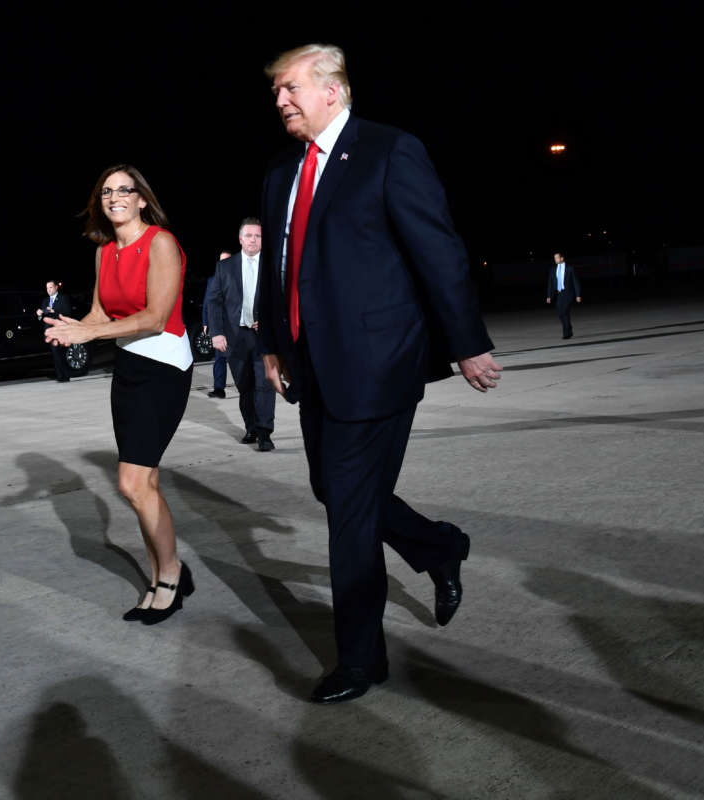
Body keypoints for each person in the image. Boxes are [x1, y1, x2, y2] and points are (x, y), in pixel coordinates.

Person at [255, 44, 503, 703]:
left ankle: (361, 662)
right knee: (336, 492)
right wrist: (272, 344)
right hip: (312, 363)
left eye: (290, 88)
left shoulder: (389, 151)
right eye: (276, 91)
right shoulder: (283, 172)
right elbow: (278, 269)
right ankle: (439, 546)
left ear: (332, 90)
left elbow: (439, 252)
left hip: (378, 360)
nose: (280, 99)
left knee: (347, 514)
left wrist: (466, 343)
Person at [45, 164, 195, 625]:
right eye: (106, 192)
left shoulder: (161, 244)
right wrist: (73, 330)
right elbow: (96, 313)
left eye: (123, 191)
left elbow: (154, 316)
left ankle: (170, 574)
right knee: (140, 485)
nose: (114, 198)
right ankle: (164, 572)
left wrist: (94, 334)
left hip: (165, 365)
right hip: (129, 367)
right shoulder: (104, 252)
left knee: (133, 482)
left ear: (141, 199)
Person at [207, 219, 276, 451]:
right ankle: (251, 428)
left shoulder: (272, 266)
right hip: (235, 338)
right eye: (249, 236)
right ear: (240, 239)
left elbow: (284, 300)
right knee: (245, 386)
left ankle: (265, 432)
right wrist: (216, 333)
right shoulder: (225, 267)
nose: (253, 240)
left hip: (263, 336)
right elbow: (213, 301)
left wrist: (269, 321)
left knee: (264, 384)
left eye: (257, 236)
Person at [204, 251, 232, 398]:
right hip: (219, 324)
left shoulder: (239, 277)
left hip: (236, 324)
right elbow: (207, 303)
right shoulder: (212, 280)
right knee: (220, 357)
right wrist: (205, 322)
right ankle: (219, 389)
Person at [38, 279, 73, 381]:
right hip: (50, 331)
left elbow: (67, 313)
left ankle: (65, 375)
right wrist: (39, 315)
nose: (49, 290)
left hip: (61, 329)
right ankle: (60, 376)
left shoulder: (63, 298)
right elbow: (43, 318)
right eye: (47, 288)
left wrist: (54, 311)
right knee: (55, 352)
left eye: (51, 287)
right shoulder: (45, 301)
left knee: (62, 352)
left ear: (56, 287)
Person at [546, 252, 581, 339]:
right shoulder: (553, 269)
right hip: (559, 294)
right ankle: (568, 328)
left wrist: (578, 295)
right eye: (555, 258)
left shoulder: (570, 269)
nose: (555, 260)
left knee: (565, 311)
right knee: (560, 313)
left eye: (557, 258)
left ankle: (566, 333)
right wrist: (549, 296)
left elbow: (575, 282)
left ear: (562, 258)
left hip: (568, 293)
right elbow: (550, 283)